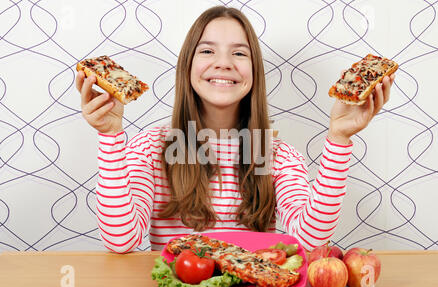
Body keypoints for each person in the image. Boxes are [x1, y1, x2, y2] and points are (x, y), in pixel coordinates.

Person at [76, 6, 395, 253]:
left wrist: (339, 139)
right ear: (187, 66)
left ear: (254, 71)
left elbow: (310, 239)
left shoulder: (275, 155)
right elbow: (120, 241)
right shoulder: (152, 149)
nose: (224, 63)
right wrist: (110, 137)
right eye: (207, 50)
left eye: (239, 53)